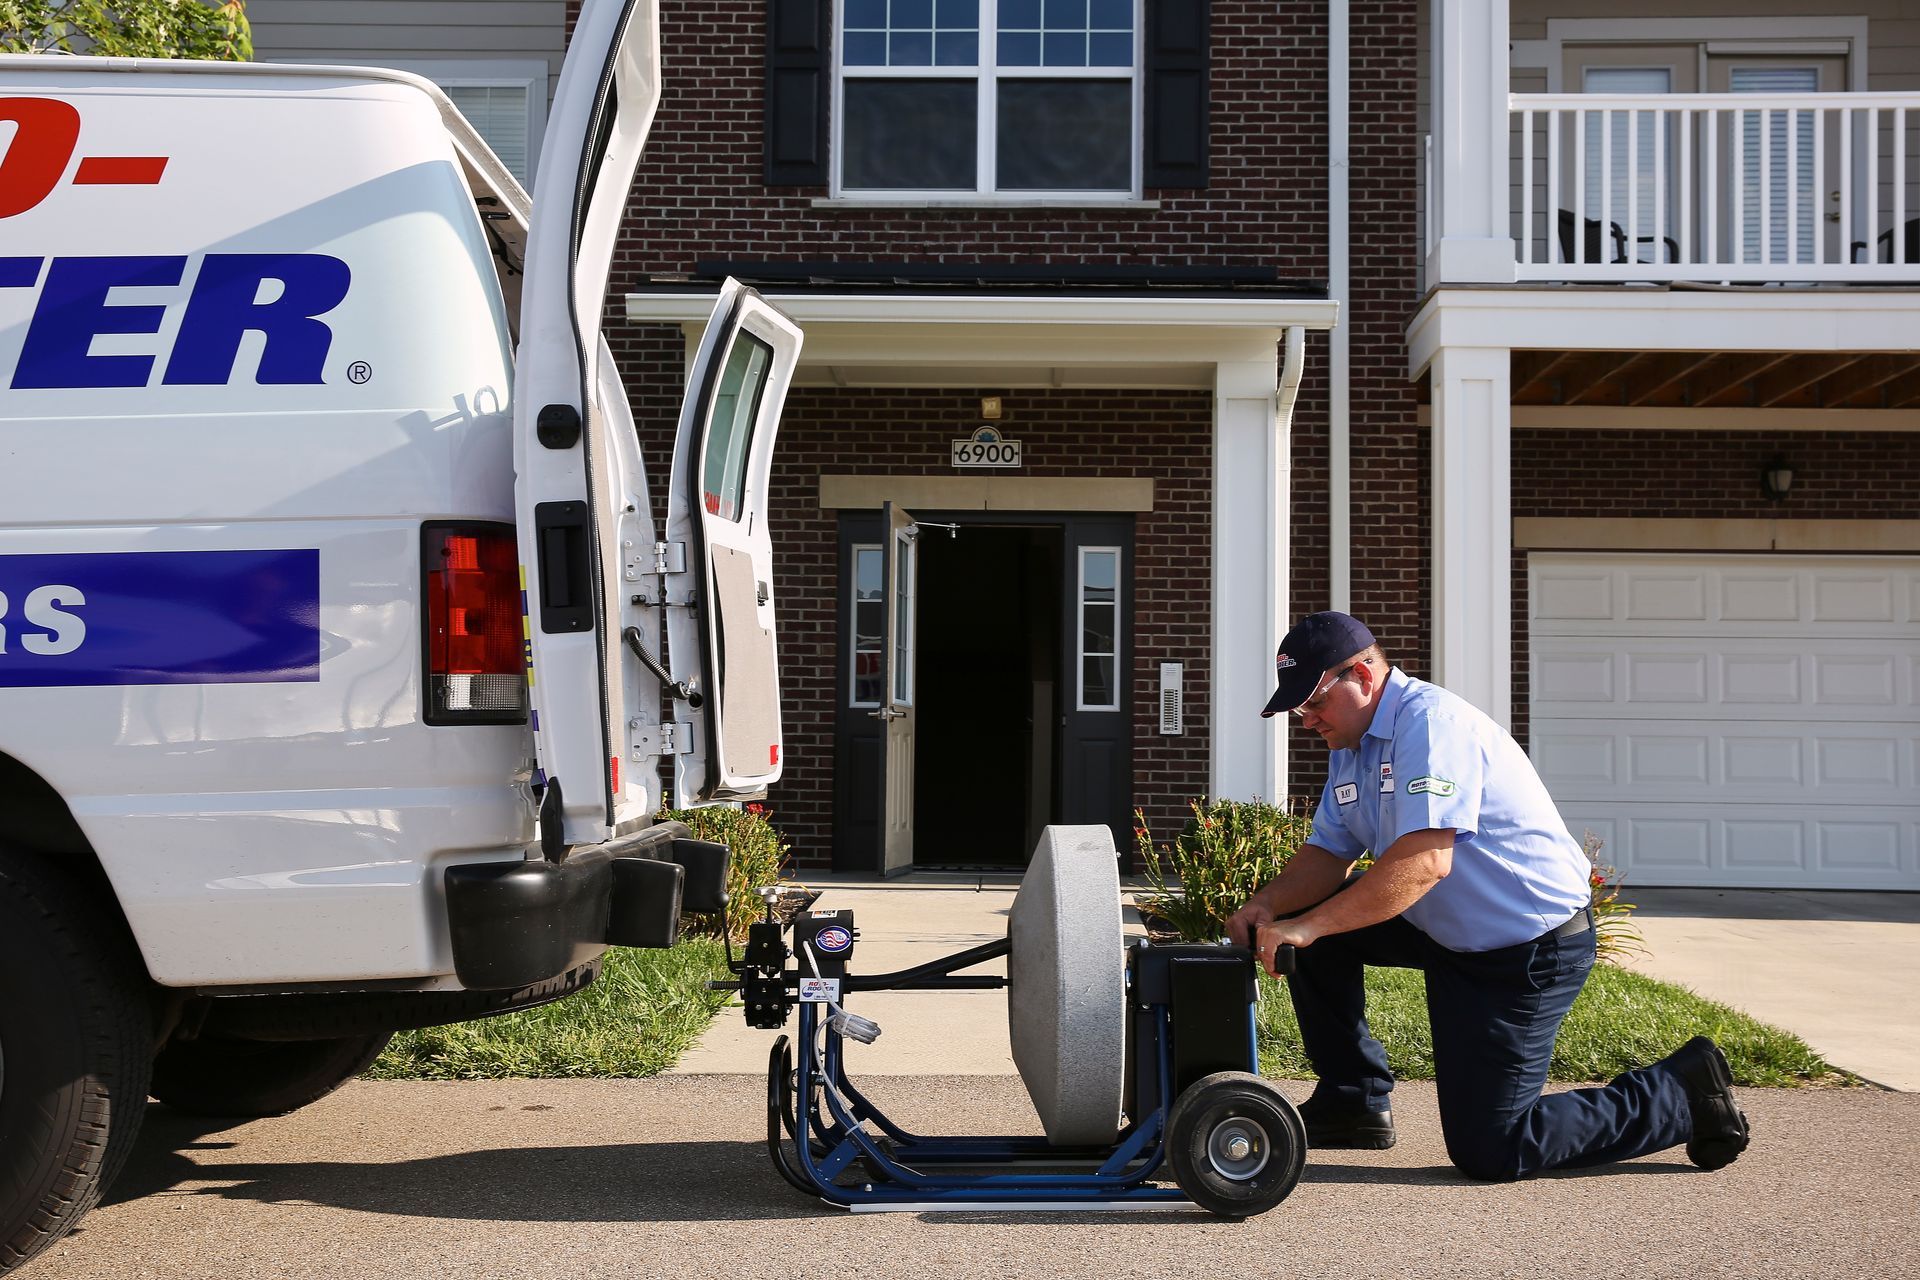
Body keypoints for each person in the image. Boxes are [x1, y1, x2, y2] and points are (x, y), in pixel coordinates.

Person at [1227, 611, 1750, 1181]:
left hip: (1526, 947)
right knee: (1307, 926)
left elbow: (1426, 862)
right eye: (1298, 709)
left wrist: (1311, 926)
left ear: (1363, 675)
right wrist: (1270, 906)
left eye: (1314, 703)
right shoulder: (1352, 744)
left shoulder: (1432, 726)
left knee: (1493, 1148)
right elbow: (1330, 851)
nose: (1306, 721)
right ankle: (1353, 1104)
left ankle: (1682, 1092)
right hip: (1445, 928)